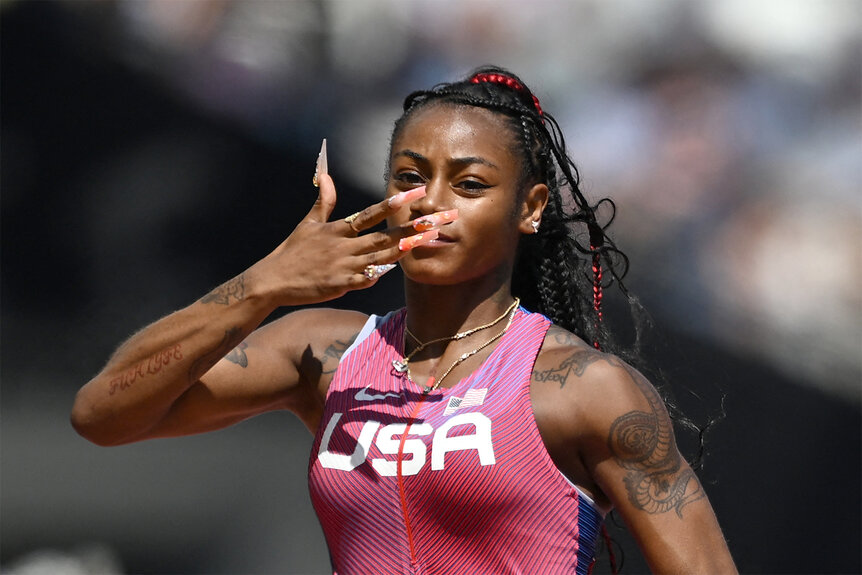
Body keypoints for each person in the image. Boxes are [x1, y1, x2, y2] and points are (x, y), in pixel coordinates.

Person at [71, 66, 737, 574]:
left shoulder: (581, 388)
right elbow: (104, 414)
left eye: (470, 185)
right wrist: (262, 284)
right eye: (410, 178)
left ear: (530, 207)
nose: (432, 205)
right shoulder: (321, 353)